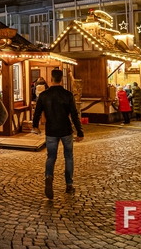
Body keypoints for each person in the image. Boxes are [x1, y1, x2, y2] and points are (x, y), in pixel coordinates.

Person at [32, 69, 84, 199]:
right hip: (66, 129)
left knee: (51, 157)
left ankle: (49, 176)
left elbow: (37, 112)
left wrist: (35, 126)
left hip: (51, 130)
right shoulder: (68, 95)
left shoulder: (44, 95)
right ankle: (69, 184)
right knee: (68, 157)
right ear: (61, 79)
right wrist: (80, 131)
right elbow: (74, 114)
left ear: (51, 79)